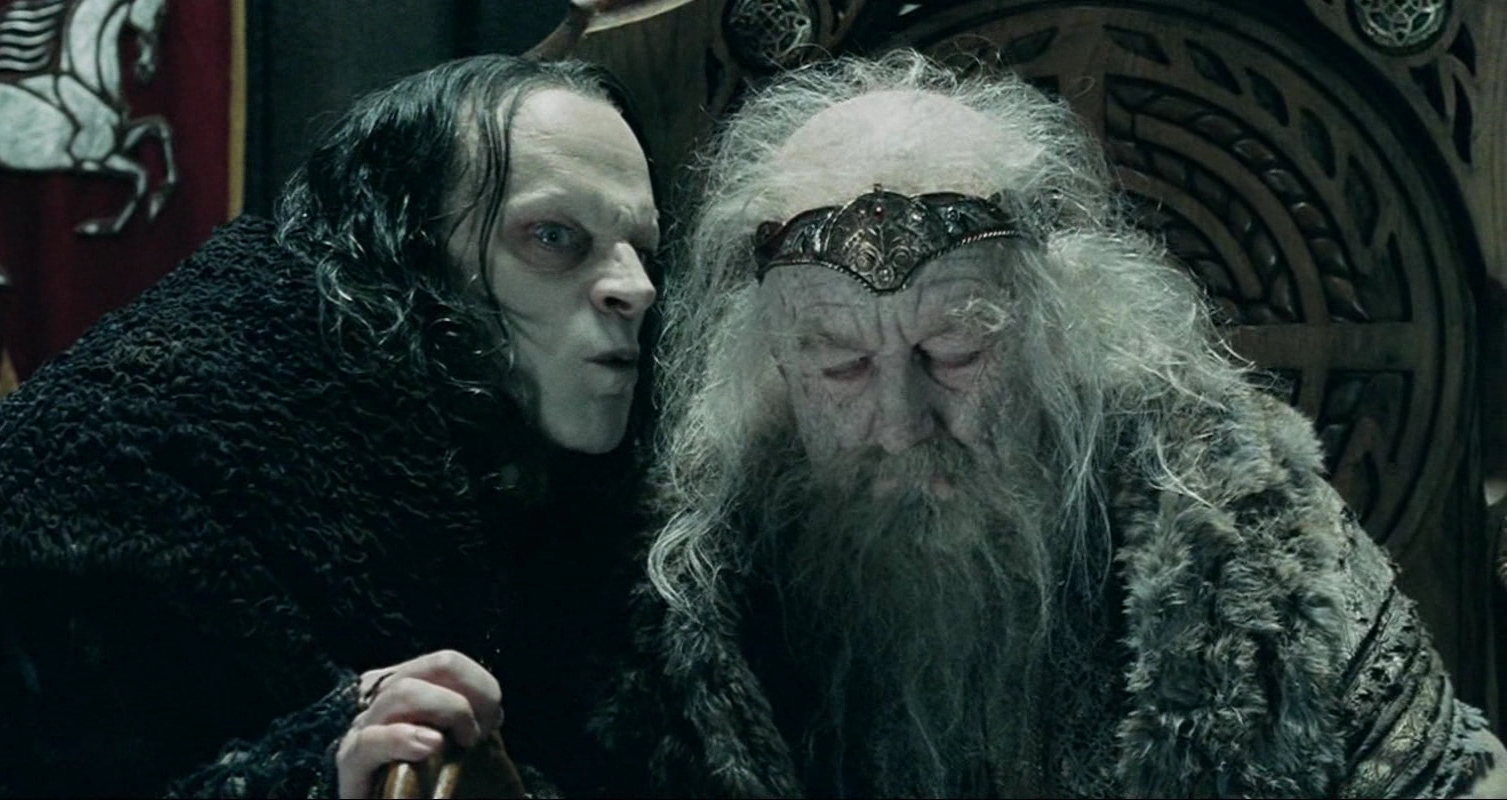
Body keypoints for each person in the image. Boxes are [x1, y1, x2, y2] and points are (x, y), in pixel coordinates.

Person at [595, 50, 1507, 798]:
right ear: (773, 368)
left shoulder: (1236, 522)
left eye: (954, 351)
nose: (900, 423)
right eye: (841, 367)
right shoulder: (694, 581)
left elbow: (1449, 778)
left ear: (1061, 333)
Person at [0, 53, 662, 797]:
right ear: (406, 248)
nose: (636, 287)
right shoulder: (150, 455)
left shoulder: (559, 500)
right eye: (554, 237)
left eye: (644, 249)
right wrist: (305, 772)